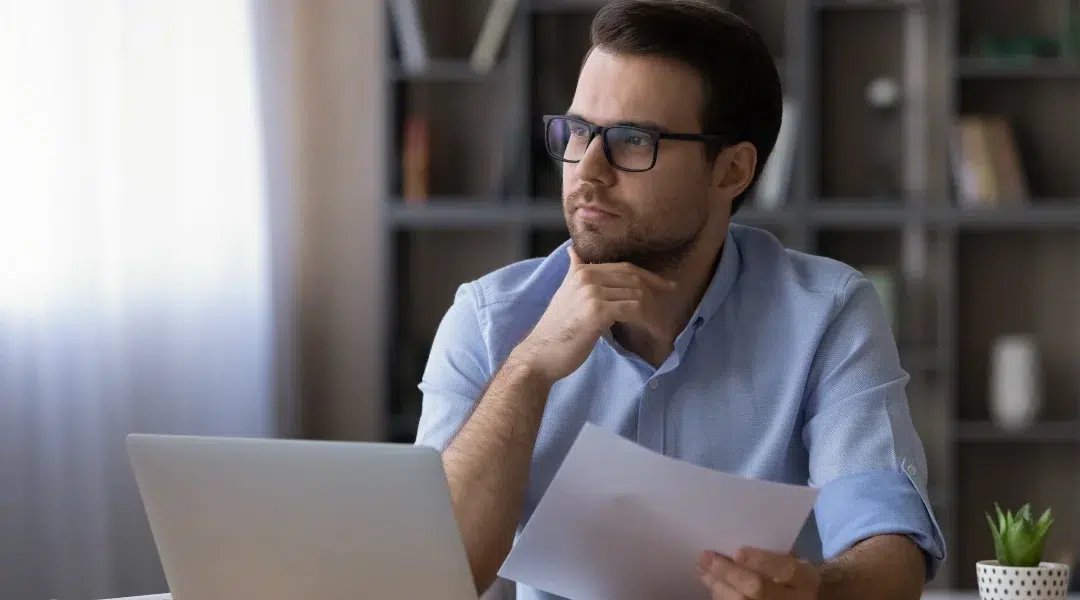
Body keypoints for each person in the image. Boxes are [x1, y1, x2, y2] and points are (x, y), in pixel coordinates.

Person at [414, 1, 946, 598]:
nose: (586, 170)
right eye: (579, 131)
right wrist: (529, 366)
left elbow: (890, 546)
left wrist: (817, 593)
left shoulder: (826, 313)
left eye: (633, 141)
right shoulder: (488, 320)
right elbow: (436, 577)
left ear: (732, 171)